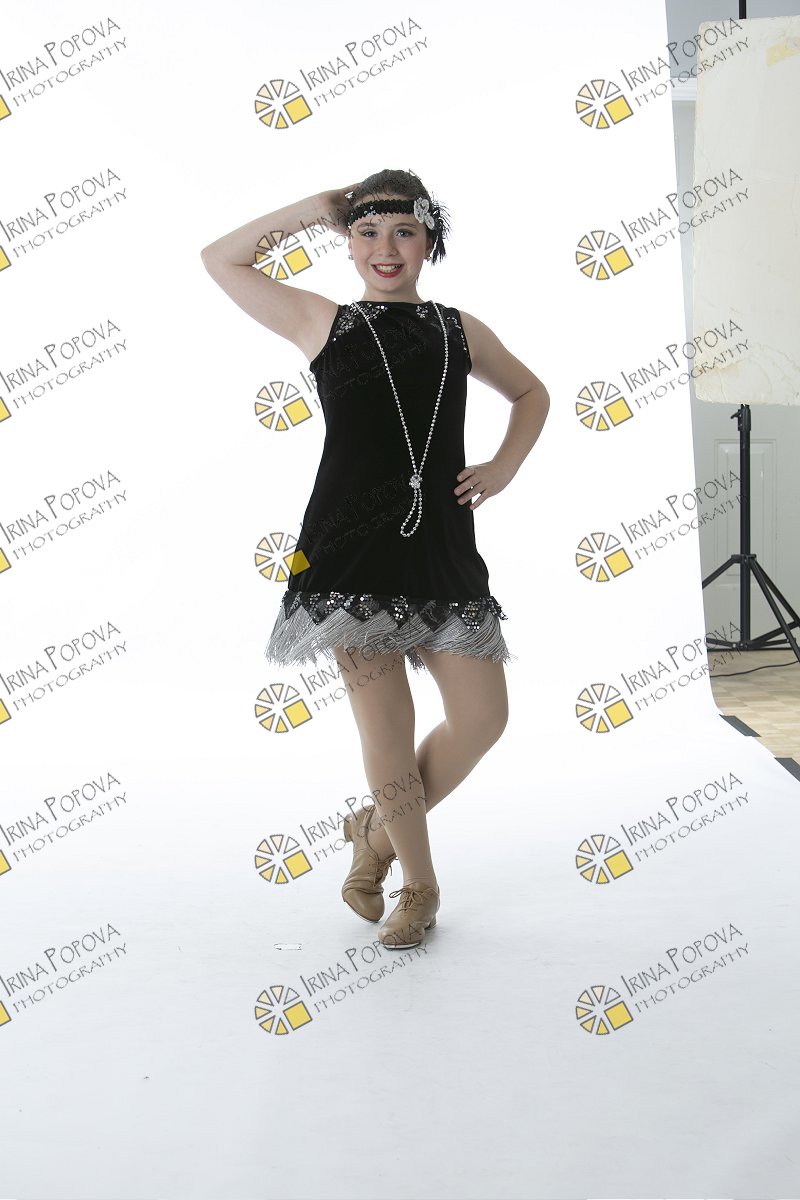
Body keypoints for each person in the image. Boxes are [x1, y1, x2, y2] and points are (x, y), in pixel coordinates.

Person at [200, 168, 549, 950]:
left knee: (483, 719)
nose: (385, 248)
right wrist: (309, 208)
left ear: (429, 240)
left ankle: (375, 833)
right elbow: (220, 258)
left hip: (441, 547)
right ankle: (417, 887)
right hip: (347, 554)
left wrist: (503, 466)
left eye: (403, 232)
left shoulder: (460, 331)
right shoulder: (322, 322)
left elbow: (532, 394)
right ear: (348, 243)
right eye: (367, 232)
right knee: (387, 726)